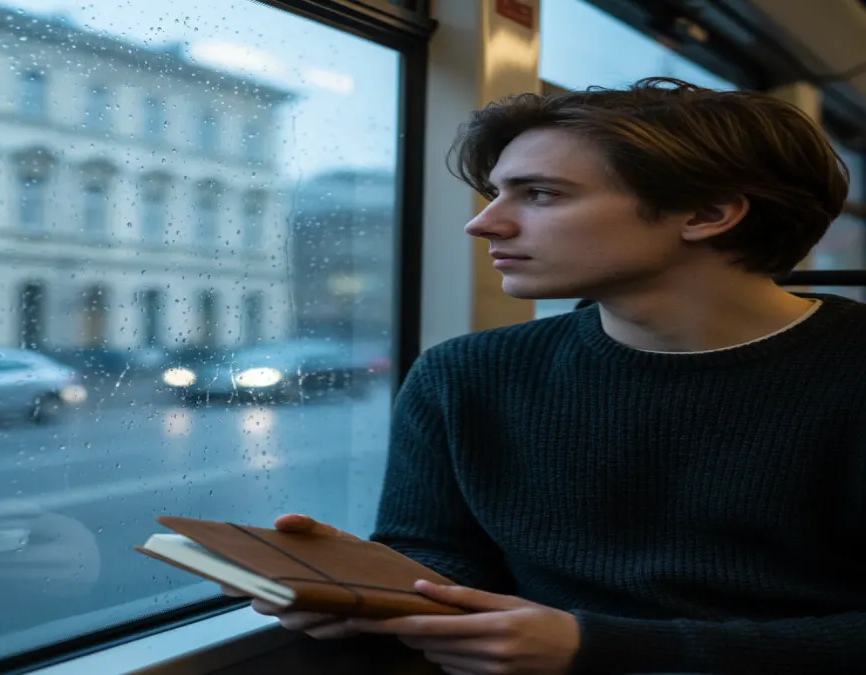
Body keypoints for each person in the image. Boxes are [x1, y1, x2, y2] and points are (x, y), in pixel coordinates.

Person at [230, 78, 866, 674]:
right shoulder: (464, 374)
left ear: (705, 213)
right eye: (498, 193)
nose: (484, 223)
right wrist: (358, 583)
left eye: (540, 195)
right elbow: (441, 556)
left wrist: (596, 646)